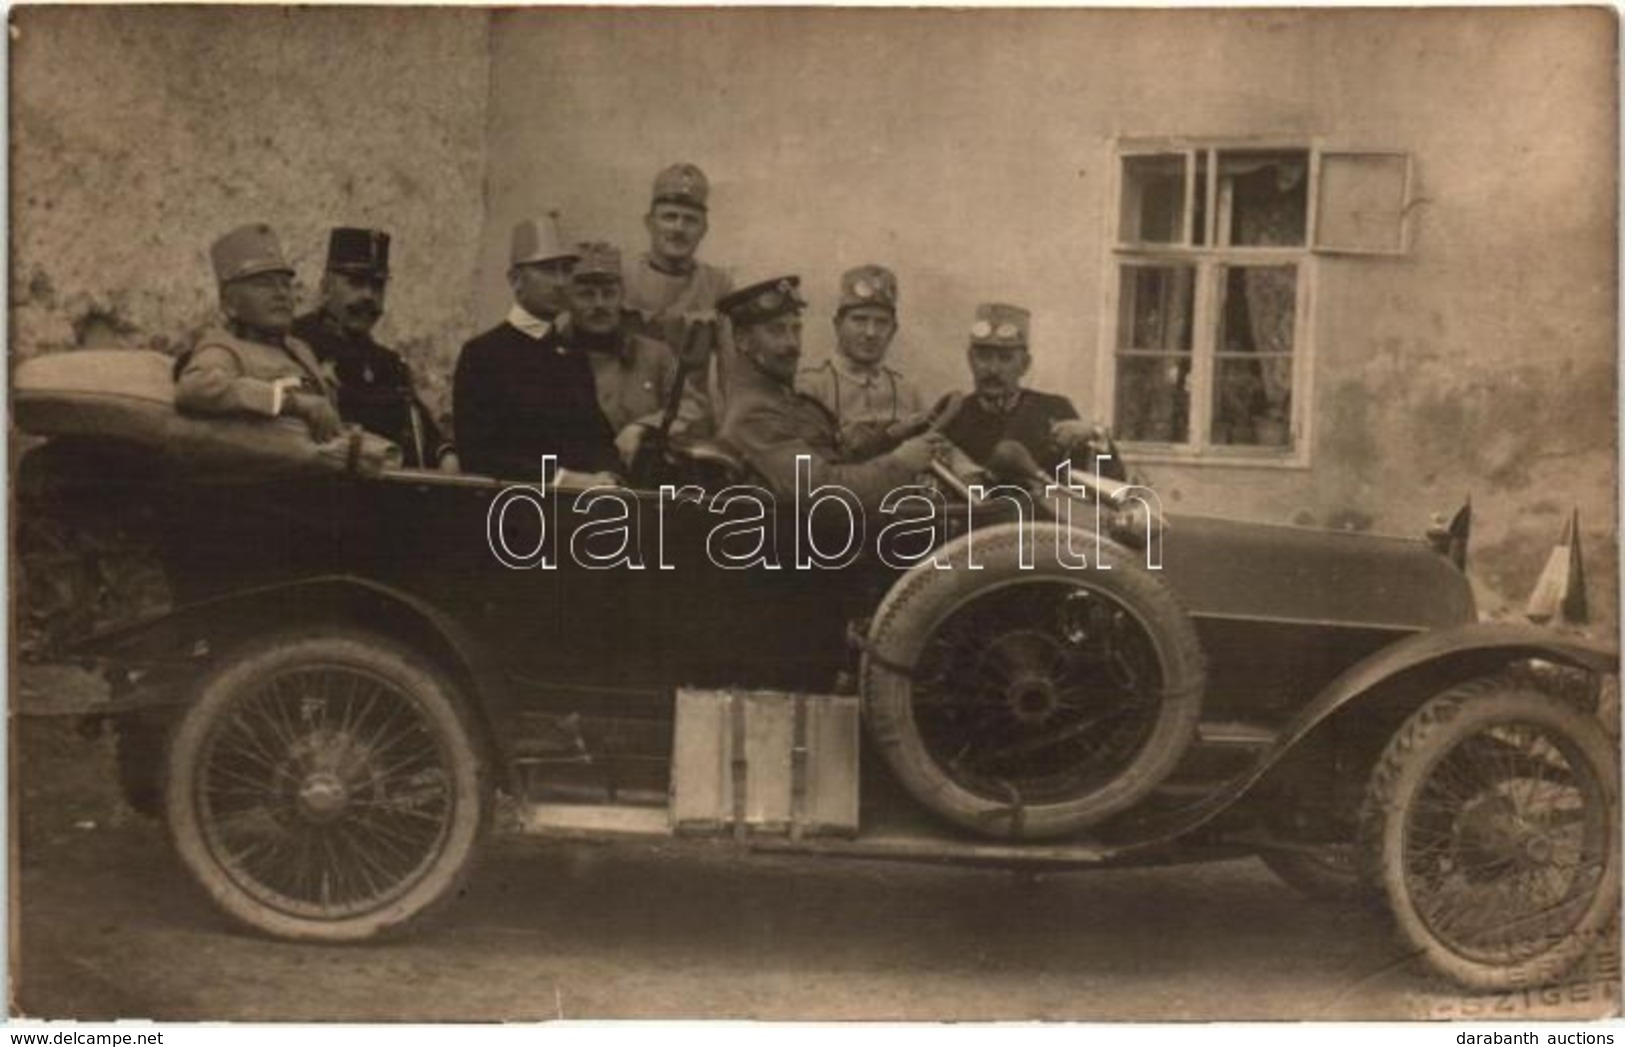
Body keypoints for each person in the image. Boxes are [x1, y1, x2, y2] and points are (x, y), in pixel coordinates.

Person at [718, 275, 941, 508]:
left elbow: (833, 457)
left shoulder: (779, 398)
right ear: (742, 340)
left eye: (796, 330)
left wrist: (891, 437)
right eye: (777, 331)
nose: (792, 343)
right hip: (812, 539)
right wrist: (902, 463)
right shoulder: (754, 415)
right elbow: (825, 490)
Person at [452, 216, 620, 484]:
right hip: (511, 511)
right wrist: (564, 480)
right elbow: (478, 455)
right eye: (547, 270)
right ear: (515, 279)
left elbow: (599, 439)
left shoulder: (572, 356)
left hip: (576, 513)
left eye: (566, 270)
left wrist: (608, 475)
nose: (560, 282)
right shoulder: (483, 355)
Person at [291, 227, 454, 469]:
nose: (369, 296)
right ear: (326, 288)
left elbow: (423, 431)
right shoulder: (296, 344)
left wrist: (446, 455)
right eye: (355, 283)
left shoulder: (390, 364)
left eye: (377, 286)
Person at [175, 223, 341, 442]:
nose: (281, 294)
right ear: (229, 302)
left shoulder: (299, 349)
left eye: (285, 284)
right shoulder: (224, 348)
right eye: (264, 285)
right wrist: (292, 402)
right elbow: (195, 388)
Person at [940, 302, 1126, 482]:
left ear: (1025, 365)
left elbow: (1105, 486)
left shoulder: (1054, 410)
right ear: (970, 360)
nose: (993, 369)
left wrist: (1096, 436)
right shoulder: (952, 416)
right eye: (984, 358)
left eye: (1005, 359)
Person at [560, 241, 707, 468]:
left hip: (641, 486)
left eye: (609, 294)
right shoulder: (549, 358)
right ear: (567, 299)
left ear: (622, 297)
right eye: (586, 295)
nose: (600, 304)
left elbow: (693, 409)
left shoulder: (656, 355)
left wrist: (645, 427)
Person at [622, 163, 733, 430]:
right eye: (669, 217)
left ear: (704, 228)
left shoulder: (717, 285)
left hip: (689, 426)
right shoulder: (621, 280)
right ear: (649, 223)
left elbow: (731, 374)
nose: (678, 228)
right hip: (627, 424)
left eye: (690, 220)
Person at [797, 264, 924, 460]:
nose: (870, 332)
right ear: (838, 325)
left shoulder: (907, 391)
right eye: (859, 320)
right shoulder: (811, 387)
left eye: (881, 322)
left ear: (893, 330)